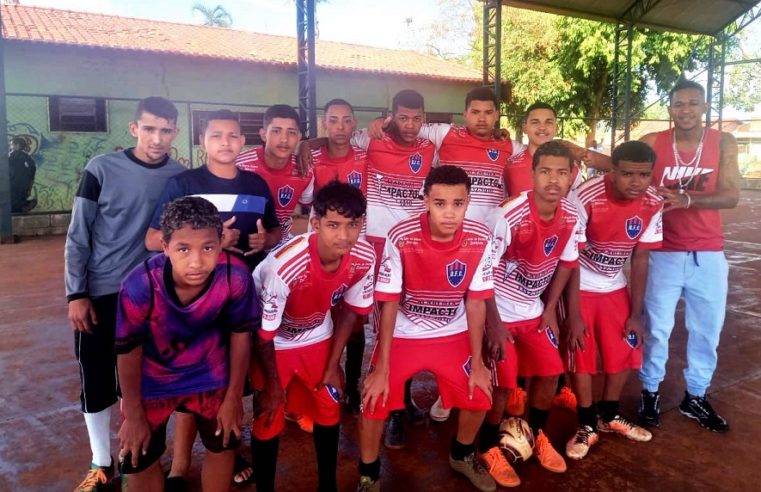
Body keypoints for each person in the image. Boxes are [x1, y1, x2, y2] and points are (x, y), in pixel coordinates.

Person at [143, 109, 281, 487]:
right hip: (192, 305)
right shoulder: (183, 183)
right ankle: (179, 466)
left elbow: (275, 229)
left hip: (241, 301)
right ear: (203, 140)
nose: (225, 142)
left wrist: (263, 240)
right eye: (217, 135)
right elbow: (155, 239)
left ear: (243, 142)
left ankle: (228, 448)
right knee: (193, 379)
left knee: (231, 381)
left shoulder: (255, 185)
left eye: (233, 135)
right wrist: (213, 239)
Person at [65, 97, 186, 492]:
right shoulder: (101, 168)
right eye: (149, 129)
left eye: (165, 130)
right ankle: (101, 463)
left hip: (155, 296)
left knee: (144, 383)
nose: (157, 138)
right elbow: (78, 235)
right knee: (97, 378)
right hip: (102, 293)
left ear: (175, 133)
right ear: (134, 129)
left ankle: (140, 457)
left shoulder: (179, 177)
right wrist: (76, 294)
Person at [358, 166, 496, 492]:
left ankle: (462, 455)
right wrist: (382, 365)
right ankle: (369, 473)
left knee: (480, 393)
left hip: (453, 331)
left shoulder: (479, 238)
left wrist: (478, 364)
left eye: (458, 204)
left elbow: (476, 304)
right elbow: (389, 302)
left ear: (468, 201)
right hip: (405, 331)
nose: (449, 213)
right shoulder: (401, 236)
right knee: (374, 397)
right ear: (425, 201)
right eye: (440, 203)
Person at [115, 197, 257, 492]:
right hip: (151, 384)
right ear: (165, 247)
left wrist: (233, 398)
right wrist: (134, 413)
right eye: (183, 249)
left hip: (210, 380)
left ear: (221, 243)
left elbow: (240, 335)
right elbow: (128, 350)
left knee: (223, 446)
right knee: (138, 457)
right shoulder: (139, 285)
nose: (196, 261)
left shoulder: (236, 277)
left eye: (207, 248)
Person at [251, 181, 375, 492]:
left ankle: (327, 485)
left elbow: (350, 312)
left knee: (328, 405)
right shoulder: (283, 266)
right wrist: (273, 385)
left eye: (353, 225)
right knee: (268, 415)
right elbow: (264, 335)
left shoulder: (363, 255)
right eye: (333, 225)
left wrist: (334, 364)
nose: (344, 235)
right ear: (315, 223)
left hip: (317, 336)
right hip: (273, 343)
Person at [480, 141, 585, 486]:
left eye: (561, 172)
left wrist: (551, 308)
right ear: (532, 174)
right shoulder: (507, 215)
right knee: (502, 385)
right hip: (500, 313)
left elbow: (568, 264)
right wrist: (493, 324)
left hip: (534, 311)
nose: (553, 180)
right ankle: (487, 447)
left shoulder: (571, 215)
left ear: (572, 176)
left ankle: (537, 436)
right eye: (545, 171)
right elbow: (483, 273)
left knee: (550, 373)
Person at [637, 80, 739, 432]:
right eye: (679, 104)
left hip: (708, 254)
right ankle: (649, 391)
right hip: (663, 252)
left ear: (705, 107)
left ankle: (695, 396)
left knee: (706, 330)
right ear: (670, 108)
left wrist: (687, 199)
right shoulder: (654, 143)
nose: (686, 110)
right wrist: (583, 155)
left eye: (693, 103)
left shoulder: (722, 142)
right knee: (657, 329)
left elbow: (731, 195)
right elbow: (627, 169)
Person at [344, 89, 436, 447]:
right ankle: (388, 407)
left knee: (405, 325)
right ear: (391, 116)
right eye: (403, 118)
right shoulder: (370, 141)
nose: (410, 125)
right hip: (377, 246)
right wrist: (309, 143)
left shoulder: (430, 148)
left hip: (413, 246)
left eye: (416, 118)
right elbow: (334, 136)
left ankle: (402, 400)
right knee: (383, 328)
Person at [564, 140, 663, 460]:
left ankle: (608, 415)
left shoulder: (652, 201)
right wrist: (574, 312)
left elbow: (642, 256)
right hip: (582, 283)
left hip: (614, 284)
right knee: (582, 351)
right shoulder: (584, 196)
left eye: (644, 175)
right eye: (627, 174)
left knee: (627, 344)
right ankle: (585, 423)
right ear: (612, 172)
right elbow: (571, 258)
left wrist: (636, 312)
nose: (636, 182)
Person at [310, 99, 370, 415]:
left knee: (355, 321)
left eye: (346, 121)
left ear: (354, 123)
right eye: (333, 121)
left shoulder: (365, 156)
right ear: (324, 123)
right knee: (321, 318)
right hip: (322, 252)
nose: (340, 128)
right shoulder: (311, 158)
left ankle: (353, 383)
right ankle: (319, 379)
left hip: (355, 251)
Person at [236, 104, 314, 246]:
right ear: (263, 134)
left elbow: (306, 204)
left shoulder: (304, 171)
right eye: (276, 131)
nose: (284, 139)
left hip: (281, 244)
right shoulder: (240, 166)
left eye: (291, 132)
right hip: (244, 243)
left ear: (299, 137)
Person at [503, 102, 585, 198]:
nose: (542, 127)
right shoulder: (509, 165)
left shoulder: (571, 168)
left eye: (548, 122)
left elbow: (576, 206)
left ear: (556, 128)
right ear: (524, 128)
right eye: (535, 122)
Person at [9, 136, 37, 213]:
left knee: (12, 206)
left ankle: (23, 206)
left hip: (12, 186)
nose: (10, 147)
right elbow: (32, 174)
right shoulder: (29, 159)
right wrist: (29, 189)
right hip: (25, 187)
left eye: (11, 145)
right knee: (17, 202)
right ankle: (25, 205)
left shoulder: (12, 156)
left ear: (17, 145)